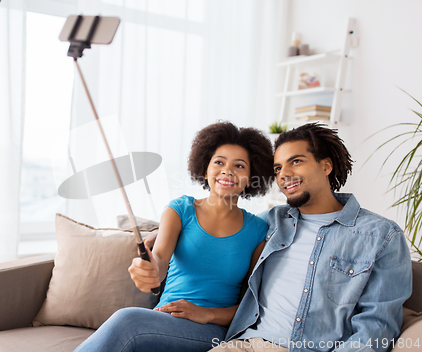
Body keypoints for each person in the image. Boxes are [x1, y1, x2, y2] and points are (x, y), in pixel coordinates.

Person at [209, 123, 413, 352]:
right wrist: (160, 239)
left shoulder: (381, 236)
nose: (284, 175)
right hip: (243, 345)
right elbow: (212, 232)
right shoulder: (270, 221)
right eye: (277, 168)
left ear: (326, 165)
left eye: (296, 161)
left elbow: (376, 327)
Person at [73, 121, 275, 352]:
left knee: (127, 321)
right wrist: (149, 271)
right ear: (205, 167)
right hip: (162, 320)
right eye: (219, 162)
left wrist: (205, 313)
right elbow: (159, 260)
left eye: (239, 166)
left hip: (212, 329)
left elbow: (251, 306)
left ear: (252, 176)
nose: (227, 170)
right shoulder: (180, 210)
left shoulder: (258, 230)